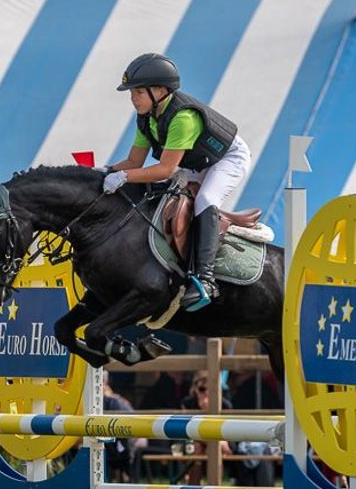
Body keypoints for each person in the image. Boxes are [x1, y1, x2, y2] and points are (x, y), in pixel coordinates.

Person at [100, 52, 253, 312]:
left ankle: (205, 278)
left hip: (228, 159)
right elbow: (134, 163)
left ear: (159, 90)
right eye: (131, 93)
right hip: (197, 162)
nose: (133, 99)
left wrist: (123, 176)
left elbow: (165, 168)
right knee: (162, 197)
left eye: (137, 92)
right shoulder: (147, 118)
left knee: (206, 199)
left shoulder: (183, 118)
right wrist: (104, 170)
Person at [179, 371, 231, 485]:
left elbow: (227, 431)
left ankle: (214, 488)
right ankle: (194, 488)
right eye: (202, 389)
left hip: (221, 441)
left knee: (213, 447)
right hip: (194, 440)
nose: (206, 392)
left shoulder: (224, 404)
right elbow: (186, 429)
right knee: (200, 447)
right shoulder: (188, 403)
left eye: (210, 389)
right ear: (195, 389)